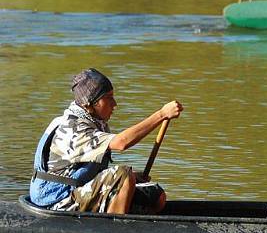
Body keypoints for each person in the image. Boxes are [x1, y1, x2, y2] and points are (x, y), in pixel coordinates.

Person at [30, 68, 183, 215]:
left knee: (155, 197)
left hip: (75, 190)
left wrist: (133, 178)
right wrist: (161, 114)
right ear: (90, 103)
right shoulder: (73, 128)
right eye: (108, 98)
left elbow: (81, 170)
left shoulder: (94, 121)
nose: (114, 104)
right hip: (56, 201)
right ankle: (114, 229)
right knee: (123, 175)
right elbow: (121, 143)